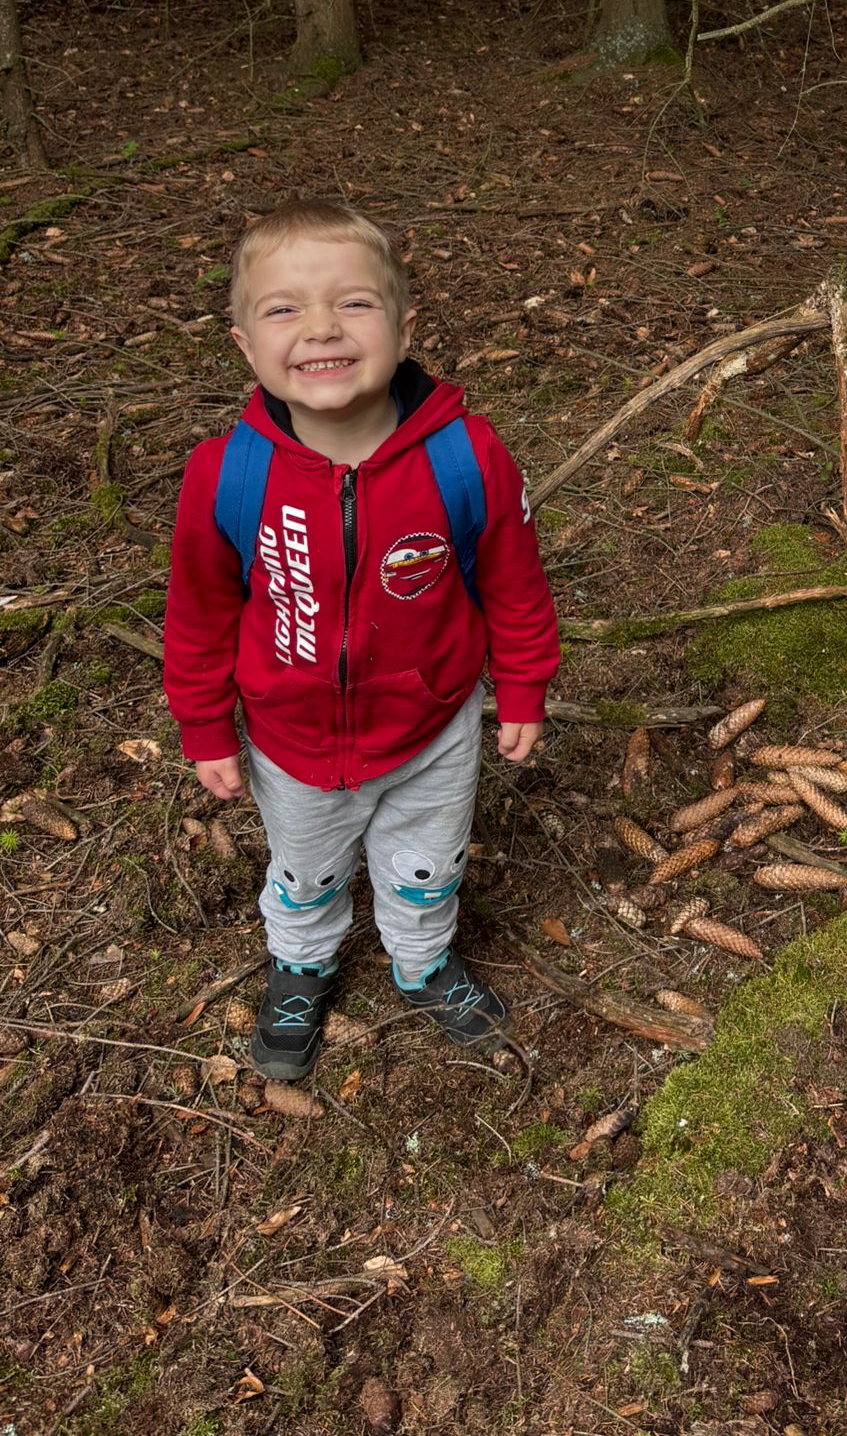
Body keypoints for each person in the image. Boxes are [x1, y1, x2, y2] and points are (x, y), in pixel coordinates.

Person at [163, 199, 558, 1081]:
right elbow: (199, 611)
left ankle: (422, 960)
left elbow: (514, 581)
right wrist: (203, 723)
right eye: (285, 309)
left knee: (427, 863)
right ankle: (301, 965)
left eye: (353, 302)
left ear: (404, 327)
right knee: (305, 870)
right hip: (293, 738)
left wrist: (524, 684)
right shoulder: (228, 475)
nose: (321, 328)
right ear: (245, 345)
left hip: (432, 726)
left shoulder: (465, 457)